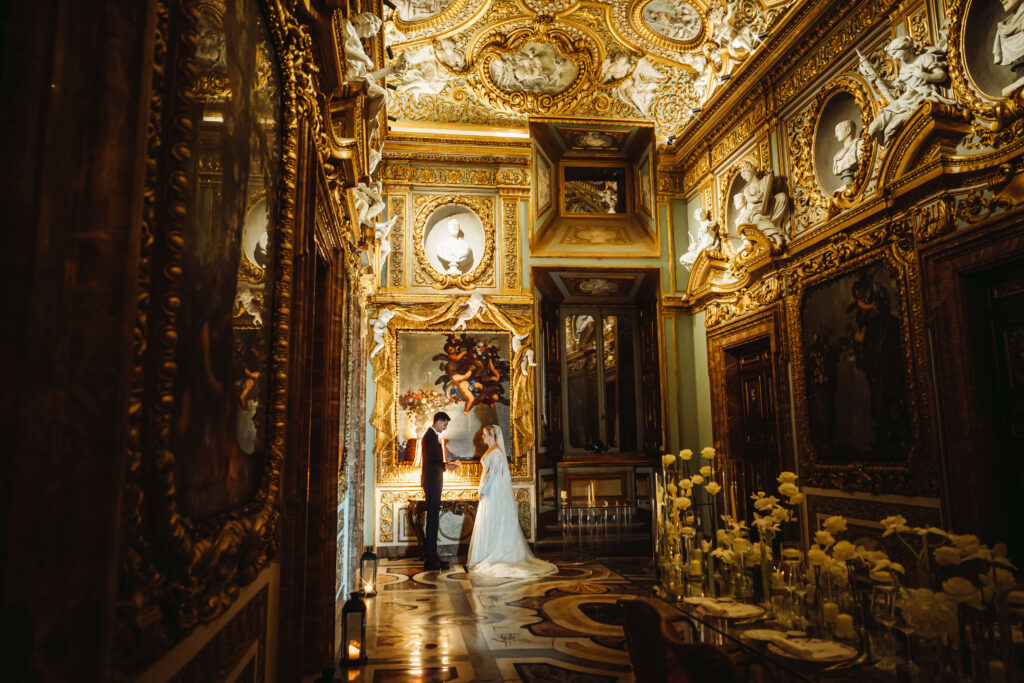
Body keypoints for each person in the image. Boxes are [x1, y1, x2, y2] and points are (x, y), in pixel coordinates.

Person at [467, 425, 558, 577]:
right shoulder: (491, 450)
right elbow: (487, 472)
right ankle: (485, 552)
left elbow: (492, 474)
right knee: (488, 519)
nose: (482, 437)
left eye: (484, 434)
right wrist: (481, 488)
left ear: (492, 435)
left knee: (493, 518)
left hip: (493, 490)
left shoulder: (496, 452)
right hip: (489, 489)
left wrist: (483, 489)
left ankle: (496, 553)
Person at [420, 411, 459, 570]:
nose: (445, 427)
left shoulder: (432, 436)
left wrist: (444, 464)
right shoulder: (429, 436)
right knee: (432, 521)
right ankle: (430, 560)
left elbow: (433, 460)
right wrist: (445, 466)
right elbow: (429, 463)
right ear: (438, 421)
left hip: (433, 482)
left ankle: (433, 557)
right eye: (445, 424)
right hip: (431, 483)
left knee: (433, 521)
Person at [832, 120, 862, 186]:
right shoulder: (837, 156)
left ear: (848, 130)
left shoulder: (860, 145)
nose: (836, 135)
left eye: (838, 131)